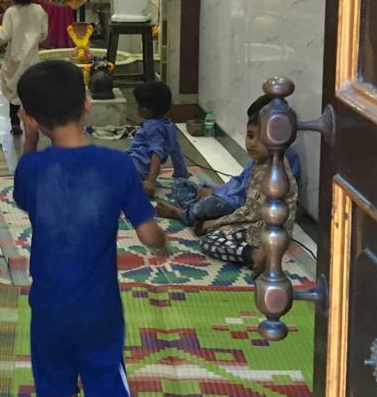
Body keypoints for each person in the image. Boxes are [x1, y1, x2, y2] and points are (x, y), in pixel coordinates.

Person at [13, 60, 168, 397]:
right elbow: (147, 233)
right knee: (102, 377)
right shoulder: (116, 165)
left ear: (32, 117)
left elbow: (22, 196)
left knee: (60, 380)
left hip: (49, 305)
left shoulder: (33, 169)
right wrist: (162, 244)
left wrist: (29, 141)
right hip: (99, 306)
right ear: (86, 104)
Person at [155, 94, 302, 229]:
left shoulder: (284, 159)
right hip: (228, 197)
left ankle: (186, 215)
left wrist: (218, 197)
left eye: (261, 135)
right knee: (181, 184)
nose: (252, 143)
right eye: (251, 135)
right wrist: (215, 191)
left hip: (243, 207)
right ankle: (197, 210)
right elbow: (239, 180)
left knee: (208, 205)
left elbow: (252, 200)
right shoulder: (260, 157)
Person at [193, 104, 300, 276]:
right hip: (265, 226)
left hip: (264, 232)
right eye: (250, 136)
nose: (252, 143)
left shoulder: (268, 172)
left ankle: (255, 254)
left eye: (261, 139)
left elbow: (249, 214)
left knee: (209, 241)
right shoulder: (268, 162)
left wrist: (217, 223)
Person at [0, 0, 48, 135]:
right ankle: (33, 120)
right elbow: (44, 35)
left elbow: (4, 36)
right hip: (32, 59)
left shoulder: (11, 12)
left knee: (13, 91)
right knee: (31, 91)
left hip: (14, 59)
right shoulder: (39, 10)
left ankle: (15, 123)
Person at [127, 81, 192, 197]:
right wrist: (182, 174)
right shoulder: (170, 125)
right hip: (142, 172)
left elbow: (156, 153)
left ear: (144, 110)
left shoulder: (151, 126)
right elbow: (176, 151)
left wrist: (150, 181)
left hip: (133, 169)